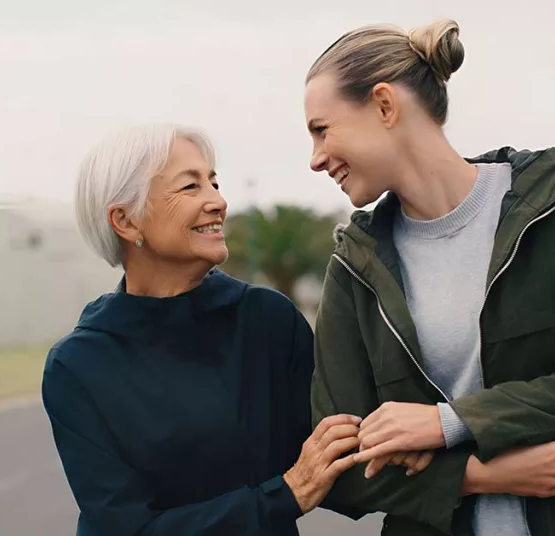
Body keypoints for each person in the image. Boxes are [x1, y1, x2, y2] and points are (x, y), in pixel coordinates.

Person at [303, 20, 555, 536]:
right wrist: (475, 476)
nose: (316, 159)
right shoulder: (353, 267)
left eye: (322, 129)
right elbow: (340, 467)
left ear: (385, 105)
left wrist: (448, 422)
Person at [41, 124, 365, 536]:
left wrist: (458, 458)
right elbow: (125, 528)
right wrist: (284, 494)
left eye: (214, 182)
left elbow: (337, 456)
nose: (219, 202)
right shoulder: (79, 365)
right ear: (125, 220)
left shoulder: (267, 320)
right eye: (190, 187)